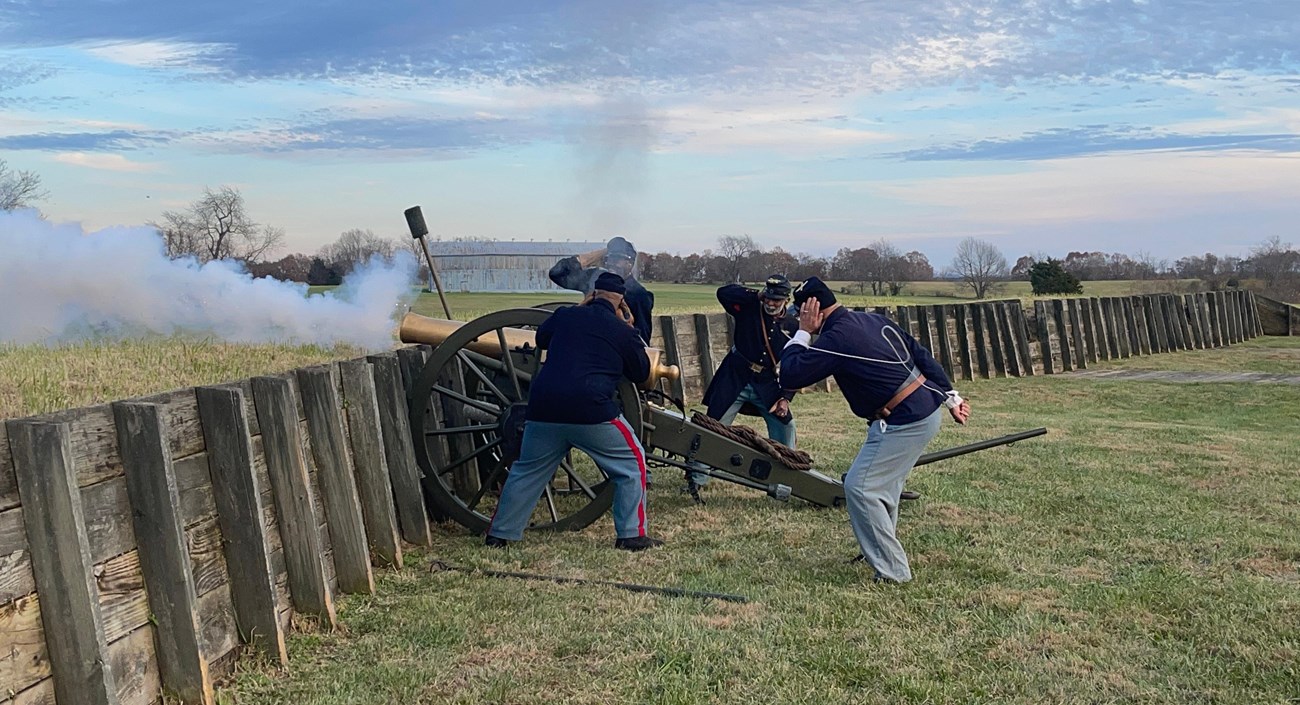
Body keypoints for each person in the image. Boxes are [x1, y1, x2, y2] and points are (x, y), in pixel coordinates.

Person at [779, 277, 971, 583]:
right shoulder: (872, 320)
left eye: (801, 313)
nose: (798, 318)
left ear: (813, 310)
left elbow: (790, 374)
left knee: (861, 487)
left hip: (905, 420)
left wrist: (803, 332)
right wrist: (951, 397)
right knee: (882, 488)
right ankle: (883, 552)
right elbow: (920, 355)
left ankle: (893, 572)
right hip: (921, 411)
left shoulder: (836, 338)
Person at [485, 272, 663, 551]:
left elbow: (542, 338)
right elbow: (640, 372)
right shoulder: (622, 331)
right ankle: (631, 535)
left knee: (526, 471)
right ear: (621, 302)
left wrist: (579, 308)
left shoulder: (565, 315)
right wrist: (629, 329)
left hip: (543, 409)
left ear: (592, 293)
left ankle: (500, 534)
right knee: (633, 465)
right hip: (591, 411)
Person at [687, 275, 798, 489]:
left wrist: (785, 397)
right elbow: (724, 293)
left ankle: (789, 478)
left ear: (786, 299)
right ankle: (697, 478)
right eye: (768, 298)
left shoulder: (793, 325)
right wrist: (756, 294)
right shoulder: (749, 306)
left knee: (786, 427)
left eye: (776, 300)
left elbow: (795, 364)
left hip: (766, 383)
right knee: (714, 427)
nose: (771, 303)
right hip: (735, 377)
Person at [549, 236, 655, 344]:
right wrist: (601, 252)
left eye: (618, 258)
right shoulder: (594, 278)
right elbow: (557, 273)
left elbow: (643, 339)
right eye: (610, 258)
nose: (612, 263)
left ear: (630, 263)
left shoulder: (640, 295)